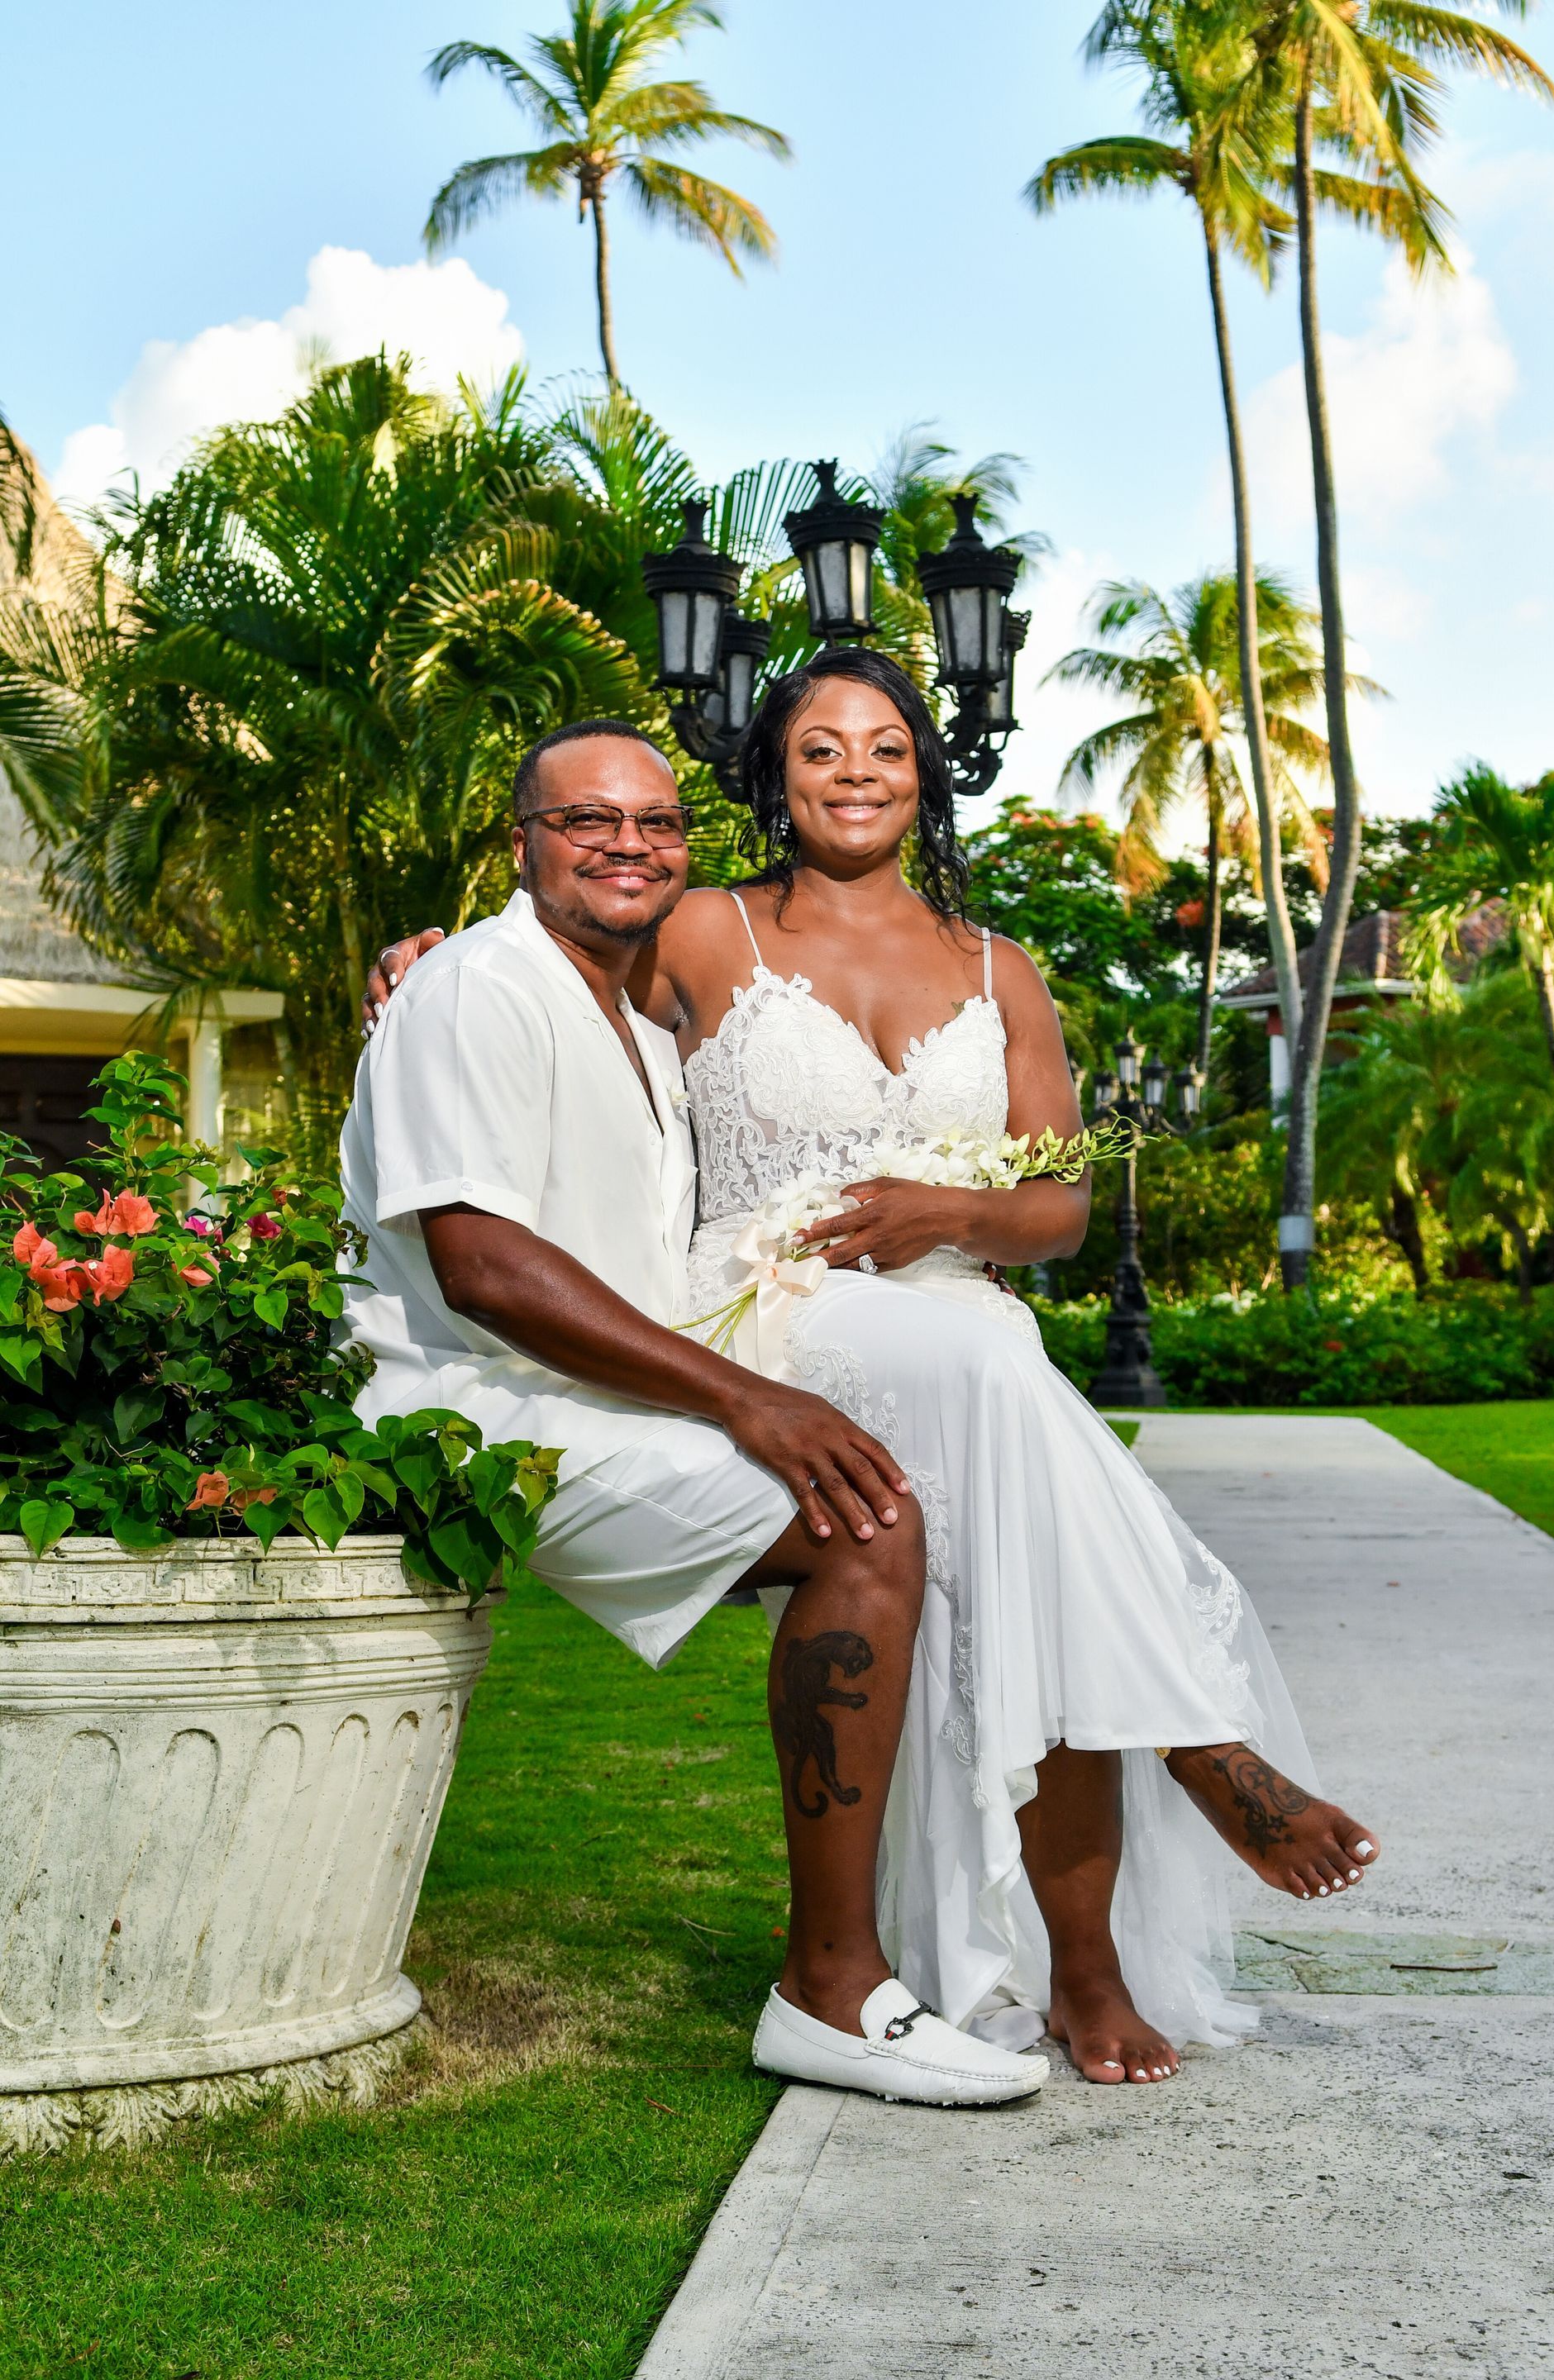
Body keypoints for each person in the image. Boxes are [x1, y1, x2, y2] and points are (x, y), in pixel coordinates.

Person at [366, 657, 1380, 2086]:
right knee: (1000, 1382)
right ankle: (1196, 1753)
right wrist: (429, 951)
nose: (855, 771)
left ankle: (1083, 1955)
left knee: (1015, 1534)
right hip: (770, 1309)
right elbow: (550, 962)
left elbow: (1060, 1210)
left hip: (958, 1319)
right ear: (774, 776)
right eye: (822, 748)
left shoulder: (997, 966)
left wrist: (951, 1215)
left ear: (925, 773)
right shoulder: (703, 926)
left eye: (887, 747)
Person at [340, 716, 1049, 2109]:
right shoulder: (479, 986)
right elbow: (480, 1265)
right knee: (869, 1527)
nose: (625, 844)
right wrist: (750, 1402)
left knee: (892, 1506)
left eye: (654, 824)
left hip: (595, 1398)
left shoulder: (632, 1019)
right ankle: (832, 1996)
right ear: (527, 842)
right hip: (475, 1414)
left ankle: (919, 1959)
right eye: (588, 821)